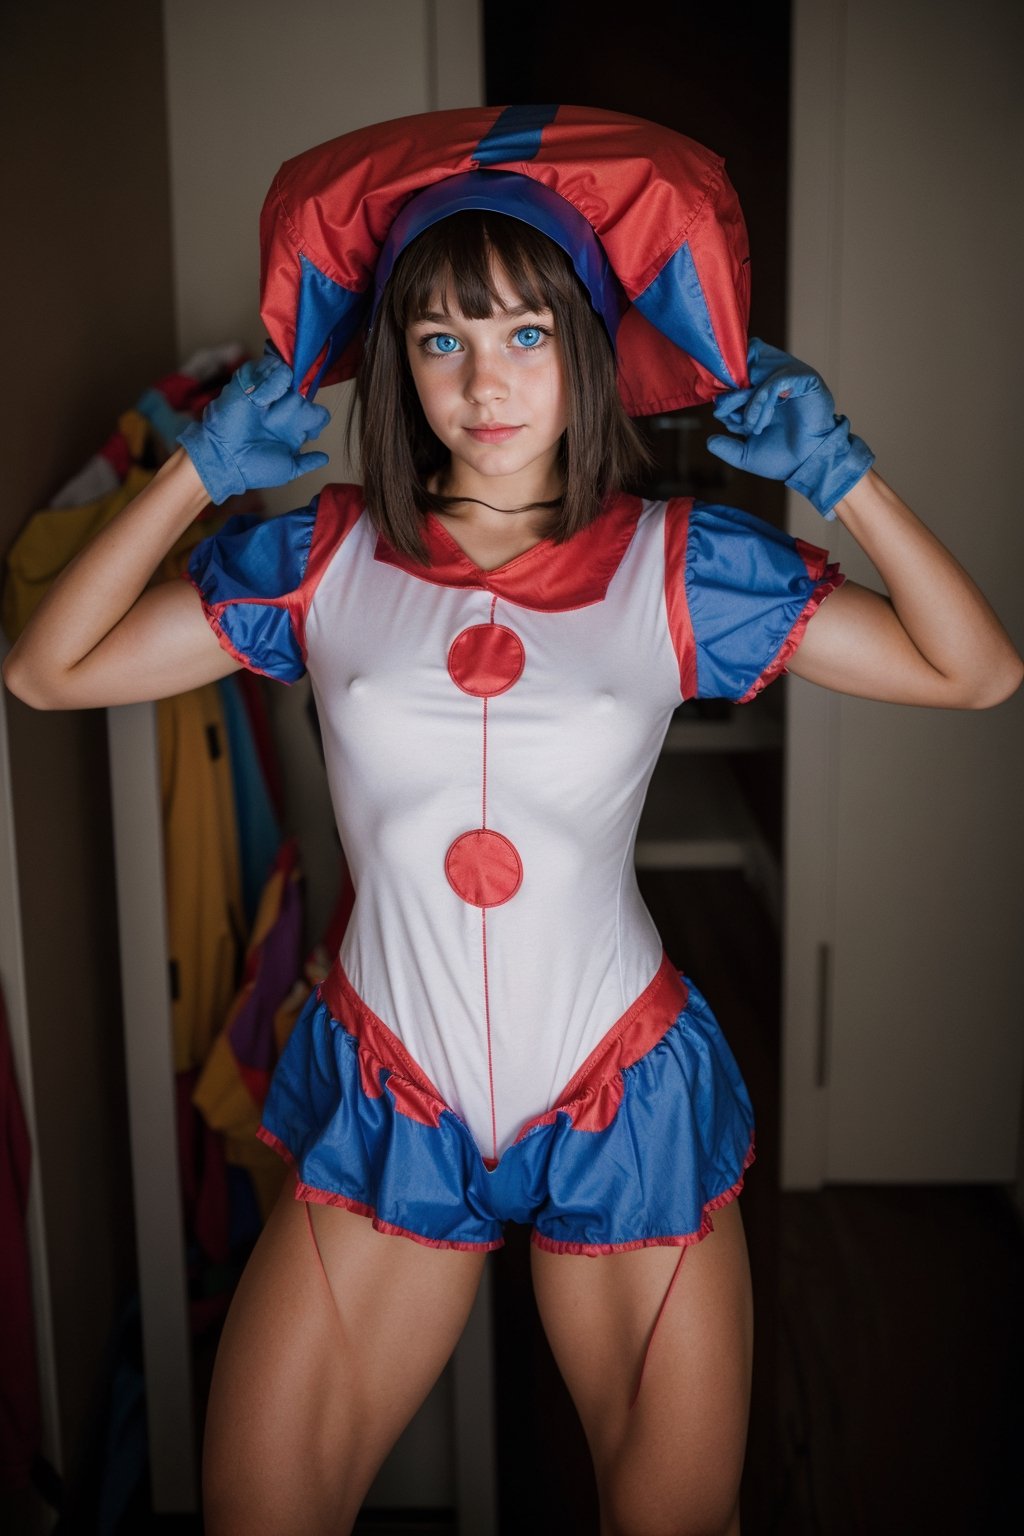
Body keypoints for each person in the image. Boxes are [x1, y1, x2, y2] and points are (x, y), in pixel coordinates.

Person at [4, 106, 1021, 1536]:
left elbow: (978, 672)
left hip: (616, 1098)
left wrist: (845, 477)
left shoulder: (682, 566)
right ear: (396, 362)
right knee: (253, 1509)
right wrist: (193, 470)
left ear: (587, 349)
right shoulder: (318, 558)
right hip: (390, 1100)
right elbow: (46, 671)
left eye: (526, 335)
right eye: (440, 340)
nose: (485, 381)